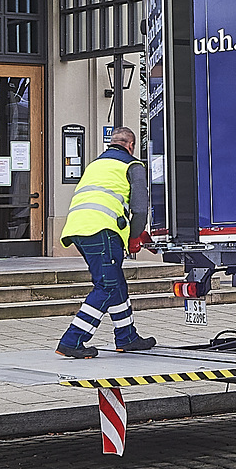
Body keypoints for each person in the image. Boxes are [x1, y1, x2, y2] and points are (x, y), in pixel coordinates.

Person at [57, 126, 155, 358]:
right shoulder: (133, 165)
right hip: (103, 230)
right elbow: (140, 209)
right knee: (107, 286)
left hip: (79, 228)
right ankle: (73, 340)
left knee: (116, 282)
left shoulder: (95, 165)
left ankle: (127, 337)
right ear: (130, 145)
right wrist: (134, 237)